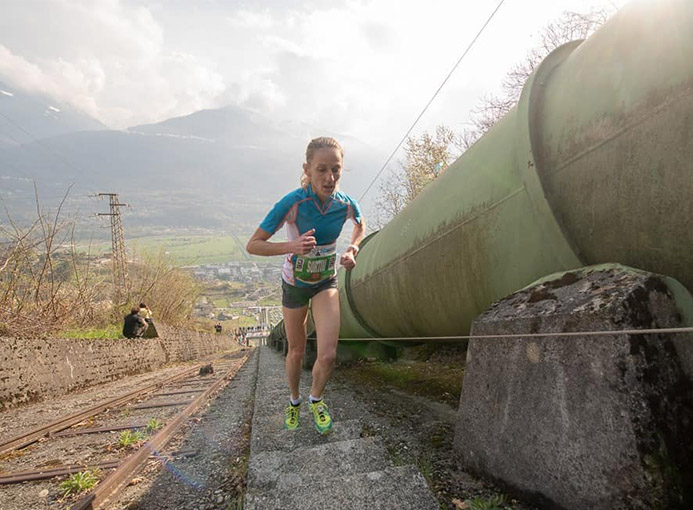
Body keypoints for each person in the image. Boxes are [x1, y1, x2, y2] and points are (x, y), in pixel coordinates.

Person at [247, 136, 365, 434]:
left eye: (336, 169)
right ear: (308, 169)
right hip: (295, 285)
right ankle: (294, 400)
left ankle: (315, 399)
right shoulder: (293, 203)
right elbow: (254, 245)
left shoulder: (344, 203)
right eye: (322, 170)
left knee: (327, 354)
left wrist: (352, 249)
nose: (330, 178)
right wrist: (292, 246)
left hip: (325, 281)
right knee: (297, 351)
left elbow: (360, 225)